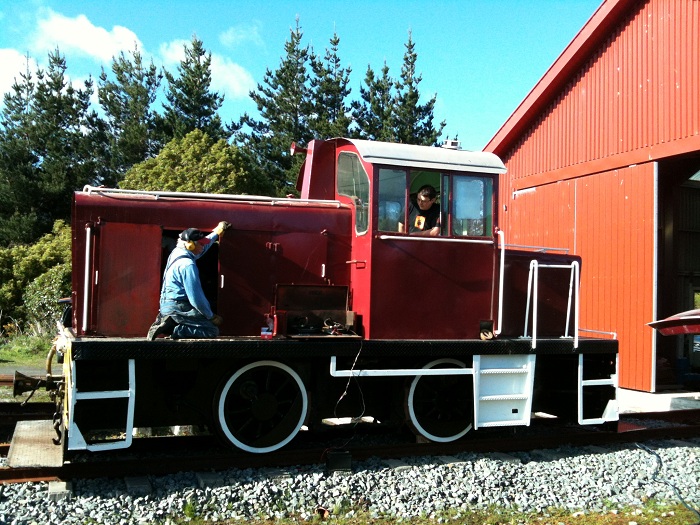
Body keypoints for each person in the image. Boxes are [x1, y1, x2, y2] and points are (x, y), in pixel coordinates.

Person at [147, 221, 230, 340]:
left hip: (167, 306)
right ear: (190, 245)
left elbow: (205, 247)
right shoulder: (188, 265)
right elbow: (196, 298)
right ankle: (174, 329)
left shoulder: (177, 253)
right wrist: (211, 316)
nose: (203, 247)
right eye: (200, 244)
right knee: (211, 329)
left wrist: (217, 232)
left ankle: (170, 322)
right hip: (179, 307)